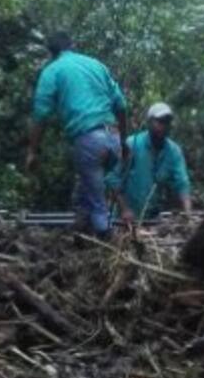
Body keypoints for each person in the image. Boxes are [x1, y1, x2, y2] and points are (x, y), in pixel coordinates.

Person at [25, 30, 129, 236]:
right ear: (72, 45)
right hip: (113, 136)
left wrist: (32, 151)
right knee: (89, 193)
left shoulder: (52, 70)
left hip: (88, 140)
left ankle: (107, 248)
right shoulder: (96, 65)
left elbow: (41, 114)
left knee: (97, 204)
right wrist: (124, 142)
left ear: (50, 53)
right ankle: (84, 239)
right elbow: (121, 105)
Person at [107, 102, 192, 224]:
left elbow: (182, 184)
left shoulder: (174, 152)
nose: (164, 126)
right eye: (160, 121)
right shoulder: (132, 144)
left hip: (152, 219)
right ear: (149, 122)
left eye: (167, 122)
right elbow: (113, 177)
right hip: (124, 220)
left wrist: (187, 213)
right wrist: (125, 209)